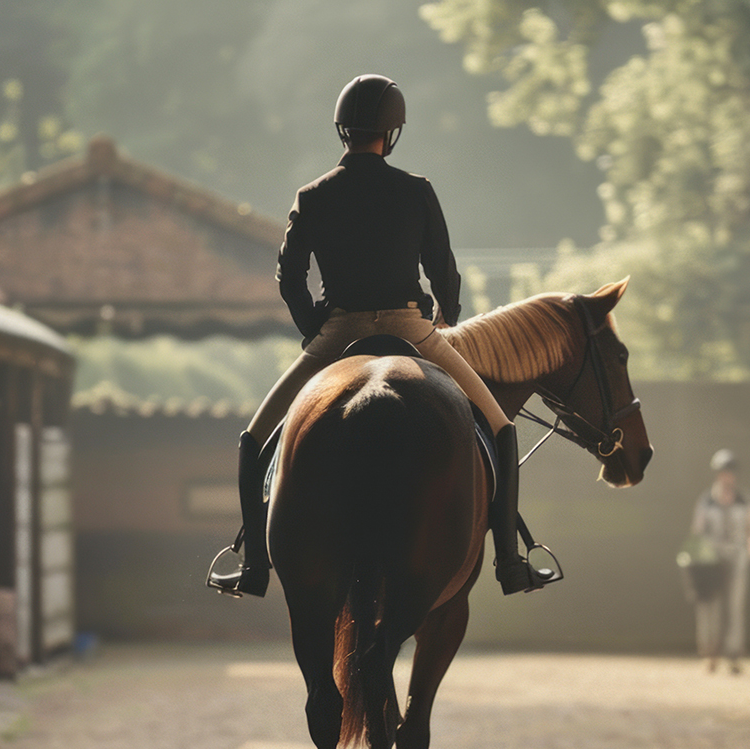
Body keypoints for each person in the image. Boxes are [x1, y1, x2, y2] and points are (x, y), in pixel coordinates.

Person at [207, 74, 560, 599]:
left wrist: (316, 332)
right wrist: (444, 321)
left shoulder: (313, 195)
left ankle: (254, 565)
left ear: (341, 130)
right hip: (412, 330)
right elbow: (445, 274)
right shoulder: (417, 191)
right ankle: (511, 562)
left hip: (338, 331)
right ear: (391, 133)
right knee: (502, 429)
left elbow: (288, 277)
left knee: (253, 440)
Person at [690, 449, 750, 674]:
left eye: (730, 472)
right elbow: (698, 531)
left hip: (737, 556)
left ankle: (734, 654)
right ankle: (710, 652)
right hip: (712, 557)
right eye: (723, 472)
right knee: (710, 606)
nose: (726, 477)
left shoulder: (744, 500)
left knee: (735, 606)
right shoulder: (707, 501)